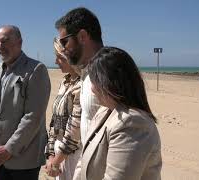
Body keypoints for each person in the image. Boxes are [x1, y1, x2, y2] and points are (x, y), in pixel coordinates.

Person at [79, 47, 162, 180]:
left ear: (108, 82)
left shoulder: (132, 123)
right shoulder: (104, 111)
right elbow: (83, 163)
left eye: (94, 81)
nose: (92, 89)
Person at [0, 25, 51, 180]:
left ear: (19, 43)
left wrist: (9, 149)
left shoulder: (36, 70)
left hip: (24, 160)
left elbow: (33, 117)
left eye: (5, 41)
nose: (0, 47)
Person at [55, 7, 103, 144]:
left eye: (64, 42)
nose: (63, 49)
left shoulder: (109, 72)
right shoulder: (87, 73)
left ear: (82, 36)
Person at [44, 38, 82, 180]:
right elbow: (54, 122)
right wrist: (50, 154)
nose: (56, 62)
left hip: (76, 154)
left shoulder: (82, 85)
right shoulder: (65, 83)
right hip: (60, 151)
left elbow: (75, 131)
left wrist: (56, 160)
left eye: (60, 57)